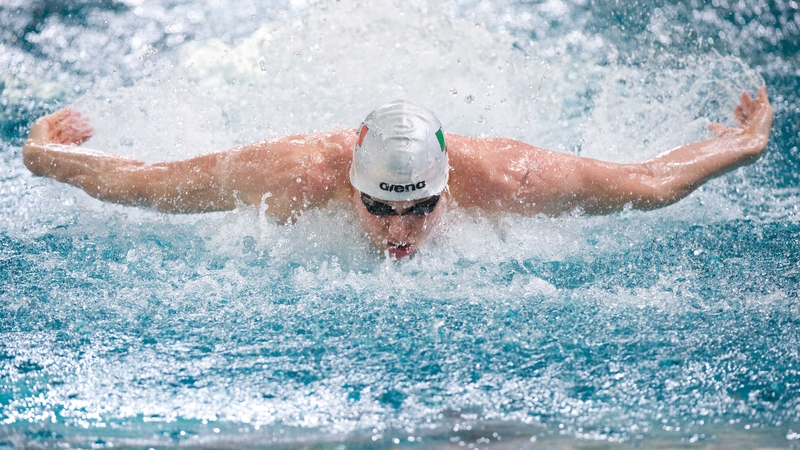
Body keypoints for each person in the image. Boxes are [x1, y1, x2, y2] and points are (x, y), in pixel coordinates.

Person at [22, 89, 774, 259]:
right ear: (349, 184)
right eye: (379, 208)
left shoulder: (504, 178)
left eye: (420, 208)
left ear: (448, 185)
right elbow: (143, 181)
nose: (400, 230)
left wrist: (745, 144)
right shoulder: (292, 175)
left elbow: (650, 183)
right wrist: (41, 153)